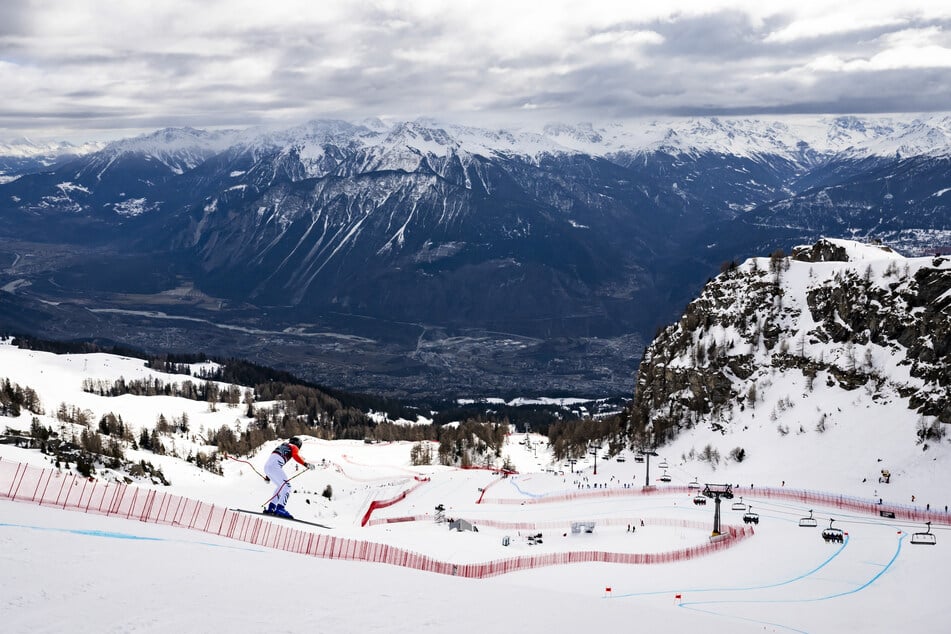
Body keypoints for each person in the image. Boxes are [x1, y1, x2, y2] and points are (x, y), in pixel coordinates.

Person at [263, 437, 314, 519]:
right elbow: (295, 455)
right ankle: (280, 508)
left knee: (281, 487)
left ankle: (271, 508)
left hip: (267, 467)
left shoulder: (282, 446)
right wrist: (306, 464)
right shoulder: (294, 447)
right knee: (287, 487)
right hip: (274, 466)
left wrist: (268, 476)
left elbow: (274, 459)